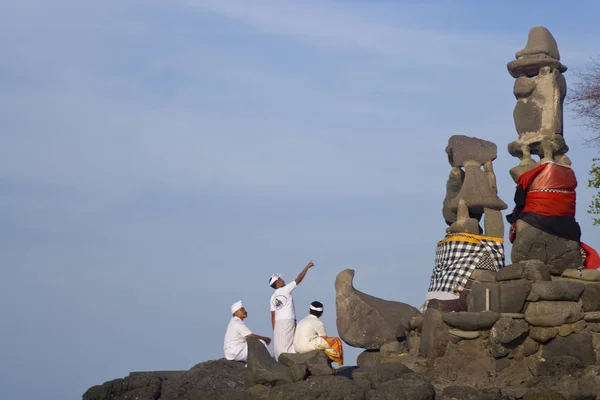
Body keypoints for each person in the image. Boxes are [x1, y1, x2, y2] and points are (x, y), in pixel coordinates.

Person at [269, 260, 314, 361]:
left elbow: (273, 315)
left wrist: (275, 329)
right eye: (280, 279)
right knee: (291, 342)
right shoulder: (285, 289)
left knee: (281, 343)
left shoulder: (272, 297)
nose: (283, 280)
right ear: (277, 282)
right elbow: (298, 279)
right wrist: (307, 267)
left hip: (278, 323)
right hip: (288, 320)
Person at [293, 301, 344, 366]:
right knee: (336, 340)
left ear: (309, 310)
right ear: (321, 313)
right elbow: (324, 337)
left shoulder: (302, 321)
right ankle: (335, 360)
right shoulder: (318, 322)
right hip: (306, 347)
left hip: (297, 348)